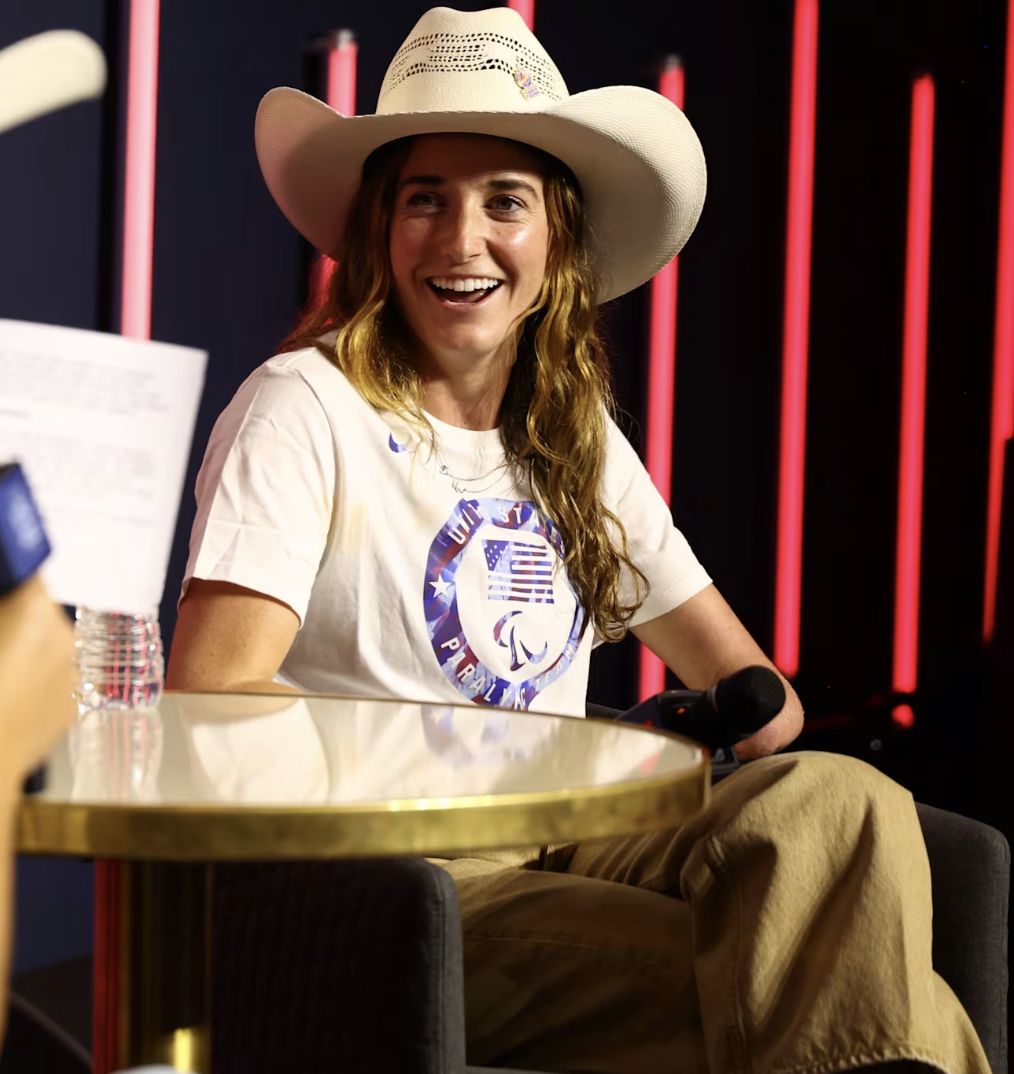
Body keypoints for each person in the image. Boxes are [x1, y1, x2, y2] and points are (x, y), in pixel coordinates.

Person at [167, 7, 990, 1073]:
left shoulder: (571, 436)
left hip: (577, 836)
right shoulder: (304, 408)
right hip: (399, 876)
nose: (463, 242)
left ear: (555, 240)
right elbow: (211, 699)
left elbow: (763, 699)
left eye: (503, 203)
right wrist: (494, 754)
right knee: (849, 980)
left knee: (848, 797)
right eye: (426, 201)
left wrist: (672, 730)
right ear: (379, 230)